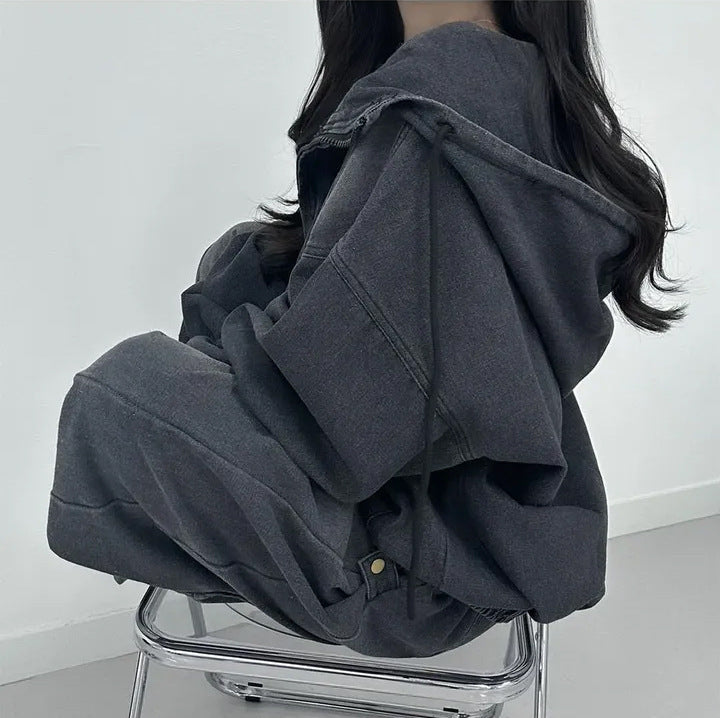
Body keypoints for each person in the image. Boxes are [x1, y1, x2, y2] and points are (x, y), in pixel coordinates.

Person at [46, 1, 688, 658]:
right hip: (489, 522)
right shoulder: (516, 86)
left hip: (414, 571)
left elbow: (345, 416)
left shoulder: (432, 116)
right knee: (241, 260)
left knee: (117, 392)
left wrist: (226, 351)